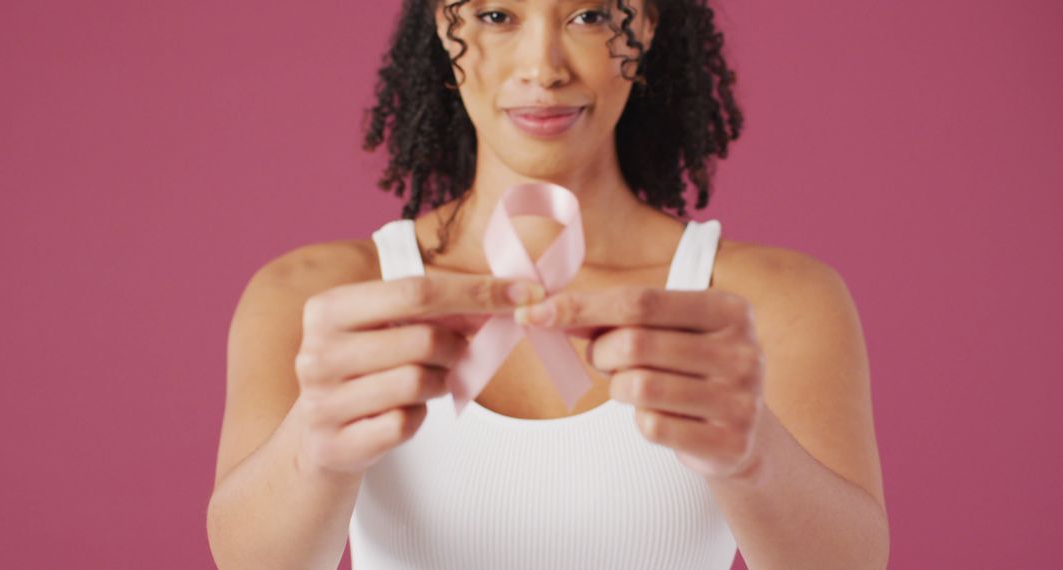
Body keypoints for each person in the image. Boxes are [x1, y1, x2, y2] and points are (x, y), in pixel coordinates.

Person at [206, 1, 890, 568]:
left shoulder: (765, 303)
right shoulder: (317, 300)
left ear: (646, 25)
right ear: (447, 29)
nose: (543, 68)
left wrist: (753, 456)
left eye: (590, 14)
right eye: (498, 13)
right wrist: (315, 447)